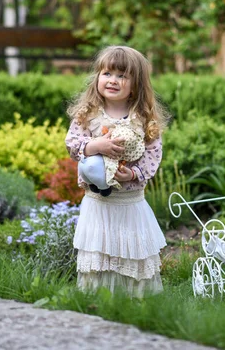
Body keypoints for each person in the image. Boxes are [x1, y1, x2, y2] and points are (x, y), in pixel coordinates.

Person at [65, 45, 168, 297]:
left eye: (122, 76)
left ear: (137, 85)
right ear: (97, 77)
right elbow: (72, 144)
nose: (113, 80)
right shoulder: (87, 116)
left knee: (131, 249)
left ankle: (136, 297)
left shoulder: (143, 119)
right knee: (100, 249)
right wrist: (94, 145)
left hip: (129, 202)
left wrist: (132, 174)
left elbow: (153, 155)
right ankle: (96, 298)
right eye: (107, 73)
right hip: (98, 202)